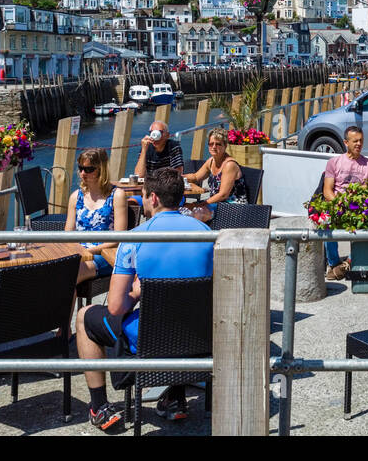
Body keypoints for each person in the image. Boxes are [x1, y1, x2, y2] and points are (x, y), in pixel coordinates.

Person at [76, 169, 213, 431]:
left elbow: (116, 306)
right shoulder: (206, 233)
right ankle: (174, 397)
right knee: (180, 309)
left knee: (84, 318)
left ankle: (99, 407)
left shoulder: (135, 239)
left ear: (153, 198)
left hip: (152, 339)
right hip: (199, 337)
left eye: (143, 196)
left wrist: (137, 292)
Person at [322, 125, 368, 280]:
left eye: (361, 141)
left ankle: (347, 263)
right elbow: (327, 191)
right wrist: (340, 202)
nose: (359, 144)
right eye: (355, 141)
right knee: (327, 222)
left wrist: (360, 194)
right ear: (346, 142)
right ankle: (334, 264)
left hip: (361, 207)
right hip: (338, 205)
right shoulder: (334, 162)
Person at [67, 147, 129, 285]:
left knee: (70, 274)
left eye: (89, 169)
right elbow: (67, 236)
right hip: (79, 254)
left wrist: (87, 252)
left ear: (101, 170)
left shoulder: (116, 195)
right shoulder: (75, 197)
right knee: (55, 273)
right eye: (81, 168)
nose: (83, 173)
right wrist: (77, 252)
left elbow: (119, 239)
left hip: (105, 253)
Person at [183, 128, 249, 223]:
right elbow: (196, 177)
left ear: (225, 146)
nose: (214, 147)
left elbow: (223, 195)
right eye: (211, 144)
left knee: (197, 211)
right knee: (185, 208)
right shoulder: (211, 161)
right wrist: (178, 176)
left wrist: (200, 204)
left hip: (233, 207)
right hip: (216, 203)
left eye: (218, 144)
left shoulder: (229, 165)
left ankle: (199, 231)